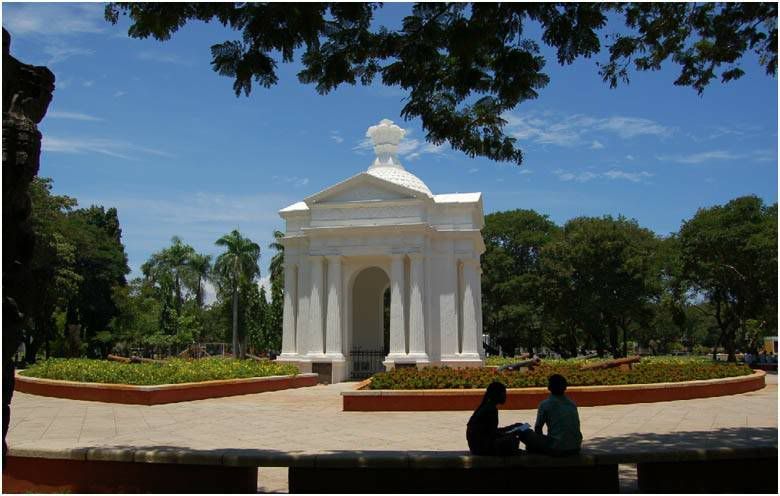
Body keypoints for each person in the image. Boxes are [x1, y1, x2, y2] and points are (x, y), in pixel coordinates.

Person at [516, 374, 582, 457]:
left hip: (556, 448)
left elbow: (538, 428)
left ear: (549, 387)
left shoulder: (545, 404)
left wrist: (538, 443)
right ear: (565, 388)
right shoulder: (572, 404)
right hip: (575, 448)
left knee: (522, 428)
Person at [466, 381, 521, 456]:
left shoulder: (486, 406)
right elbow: (492, 435)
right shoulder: (491, 409)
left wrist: (511, 428)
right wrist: (512, 431)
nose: (505, 396)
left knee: (519, 428)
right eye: (503, 393)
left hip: (478, 447)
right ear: (497, 394)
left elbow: (490, 431)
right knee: (515, 437)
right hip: (482, 448)